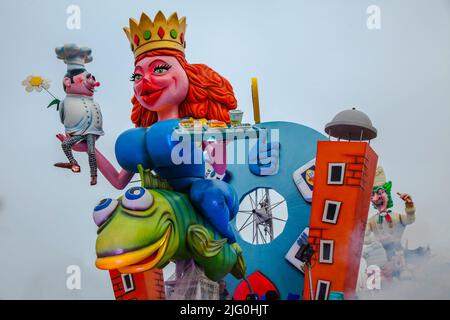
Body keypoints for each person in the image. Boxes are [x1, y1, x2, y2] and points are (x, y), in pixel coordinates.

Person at [57, 11, 278, 243]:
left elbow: (220, 169)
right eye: (137, 76)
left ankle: (229, 240)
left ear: (187, 75)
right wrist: (90, 151)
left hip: (205, 194)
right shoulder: (142, 139)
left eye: (160, 69)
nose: (145, 82)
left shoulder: (196, 126)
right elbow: (119, 182)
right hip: (163, 199)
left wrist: (218, 145)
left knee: (205, 194)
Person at [53, 44, 103, 186]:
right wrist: (70, 132)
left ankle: (93, 176)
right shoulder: (65, 103)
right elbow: (64, 120)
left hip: (91, 132)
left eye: (92, 77)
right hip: (77, 133)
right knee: (65, 144)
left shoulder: (94, 102)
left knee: (91, 152)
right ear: (68, 81)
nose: (93, 81)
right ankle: (73, 163)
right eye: (87, 77)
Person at [365, 167, 416, 262]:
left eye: (380, 192)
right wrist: (377, 239)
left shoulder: (397, 217)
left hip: (399, 255)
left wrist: (409, 204)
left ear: (387, 194)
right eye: (374, 194)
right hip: (381, 258)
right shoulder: (371, 221)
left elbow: (410, 219)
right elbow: (364, 238)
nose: (378, 197)